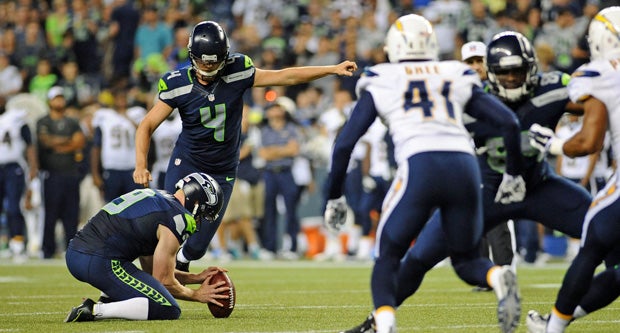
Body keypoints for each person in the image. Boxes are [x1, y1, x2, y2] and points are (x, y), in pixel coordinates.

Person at [341, 31, 595, 333]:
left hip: (538, 187)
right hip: (484, 192)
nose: (512, 78)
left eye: (518, 70)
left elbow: (595, 107)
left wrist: (565, 136)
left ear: (532, 68)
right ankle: (378, 320)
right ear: (491, 72)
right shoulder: (470, 96)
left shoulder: (554, 87)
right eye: (504, 72)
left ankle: (557, 321)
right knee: (419, 258)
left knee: (606, 234)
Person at [323, 15, 526, 333]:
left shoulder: (382, 76)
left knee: (388, 254)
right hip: (465, 166)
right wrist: (514, 174)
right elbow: (509, 124)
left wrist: (334, 195)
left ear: (393, 46)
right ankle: (498, 276)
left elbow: (344, 144)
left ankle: (386, 323)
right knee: (466, 259)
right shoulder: (454, 71)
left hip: (421, 165)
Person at [133, 20, 357, 271]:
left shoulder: (238, 70)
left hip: (222, 169)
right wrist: (140, 164)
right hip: (187, 161)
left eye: (214, 61)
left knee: (196, 247)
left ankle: (180, 267)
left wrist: (331, 69)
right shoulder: (178, 83)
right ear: (192, 55)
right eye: (203, 60)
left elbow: (286, 75)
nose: (208, 66)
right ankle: (156, 283)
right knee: (172, 227)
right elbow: (146, 125)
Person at [526, 6, 620, 332]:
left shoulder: (599, 72)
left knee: (592, 245)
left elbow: (589, 141)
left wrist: (551, 145)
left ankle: (553, 328)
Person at [64, 172, 228, 322]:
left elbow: (153, 272)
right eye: (203, 213)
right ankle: (94, 310)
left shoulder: (159, 197)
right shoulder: (179, 218)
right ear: (197, 202)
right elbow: (163, 281)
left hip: (79, 253)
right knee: (168, 308)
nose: (199, 220)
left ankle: (108, 298)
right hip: (99, 259)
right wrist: (197, 294)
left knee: (146, 285)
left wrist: (195, 278)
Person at [462, 40, 516, 276]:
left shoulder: (500, 89)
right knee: (474, 214)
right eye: (470, 62)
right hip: (468, 158)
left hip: (494, 159)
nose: (475, 66)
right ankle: (483, 272)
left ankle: (505, 268)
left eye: (479, 61)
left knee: (496, 215)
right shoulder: (458, 89)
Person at [37, 86, 86, 259]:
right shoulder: (43, 121)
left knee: (71, 214)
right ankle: (47, 250)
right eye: (56, 98)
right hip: (51, 173)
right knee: (50, 214)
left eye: (61, 98)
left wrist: (59, 144)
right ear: (50, 101)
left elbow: (79, 142)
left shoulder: (72, 121)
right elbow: (46, 142)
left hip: (70, 173)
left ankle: (71, 250)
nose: (59, 101)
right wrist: (68, 142)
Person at [0, 96, 38, 261]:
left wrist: (33, 166)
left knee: (14, 206)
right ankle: (6, 243)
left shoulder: (15, 119)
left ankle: (17, 243)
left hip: (13, 167)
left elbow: (29, 144)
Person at [91, 88, 146, 202]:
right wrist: (95, 173)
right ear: (113, 100)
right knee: (112, 207)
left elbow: (144, 134)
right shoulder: (104, 115)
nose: (121, 100)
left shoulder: (136, 113)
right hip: (111, 168)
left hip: (132, 168)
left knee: (135, 206)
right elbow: (96, 146)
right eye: (118, 98)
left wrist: (126, 117)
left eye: (123, 97)